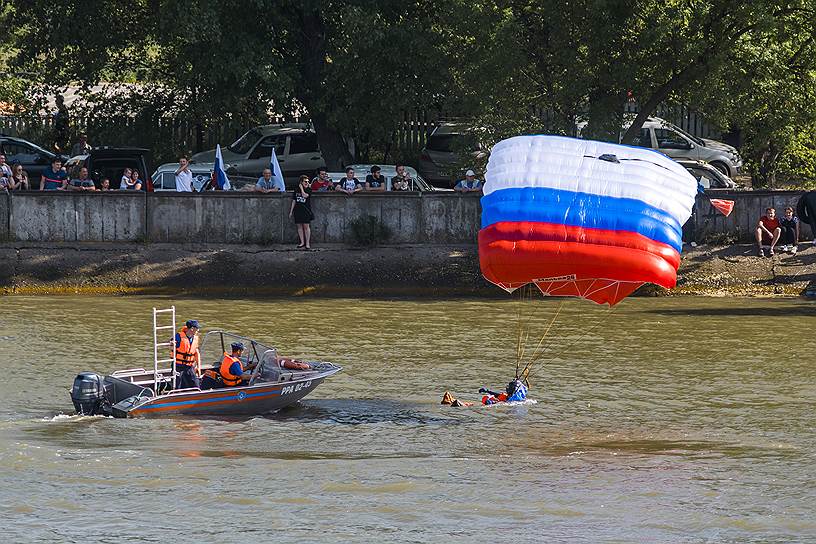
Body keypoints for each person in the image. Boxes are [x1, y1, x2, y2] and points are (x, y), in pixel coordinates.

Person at [173, 320, 201, 389]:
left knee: (195, 384)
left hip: (189, 366)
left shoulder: (195, 338)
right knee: (177, 385)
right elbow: (171, 345)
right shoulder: (179, 336)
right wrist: (172, 344)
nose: (198, 330)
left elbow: (197, 353)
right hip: (178, 366)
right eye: (197, 328)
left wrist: (198, 367)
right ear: (192, 329)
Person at [289, 174, 313, 249]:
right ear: (301, 182)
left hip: (306, 210)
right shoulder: (296, 190)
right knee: (299, 226)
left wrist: (302, 189)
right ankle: (302, 242)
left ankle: (307, 243)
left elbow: (305, 195)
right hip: (298, 210)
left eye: (308, 181)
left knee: (306, 226)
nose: (307, 183)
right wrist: (291, 211)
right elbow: (294, 201)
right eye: (305, 181)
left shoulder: (309, 189)